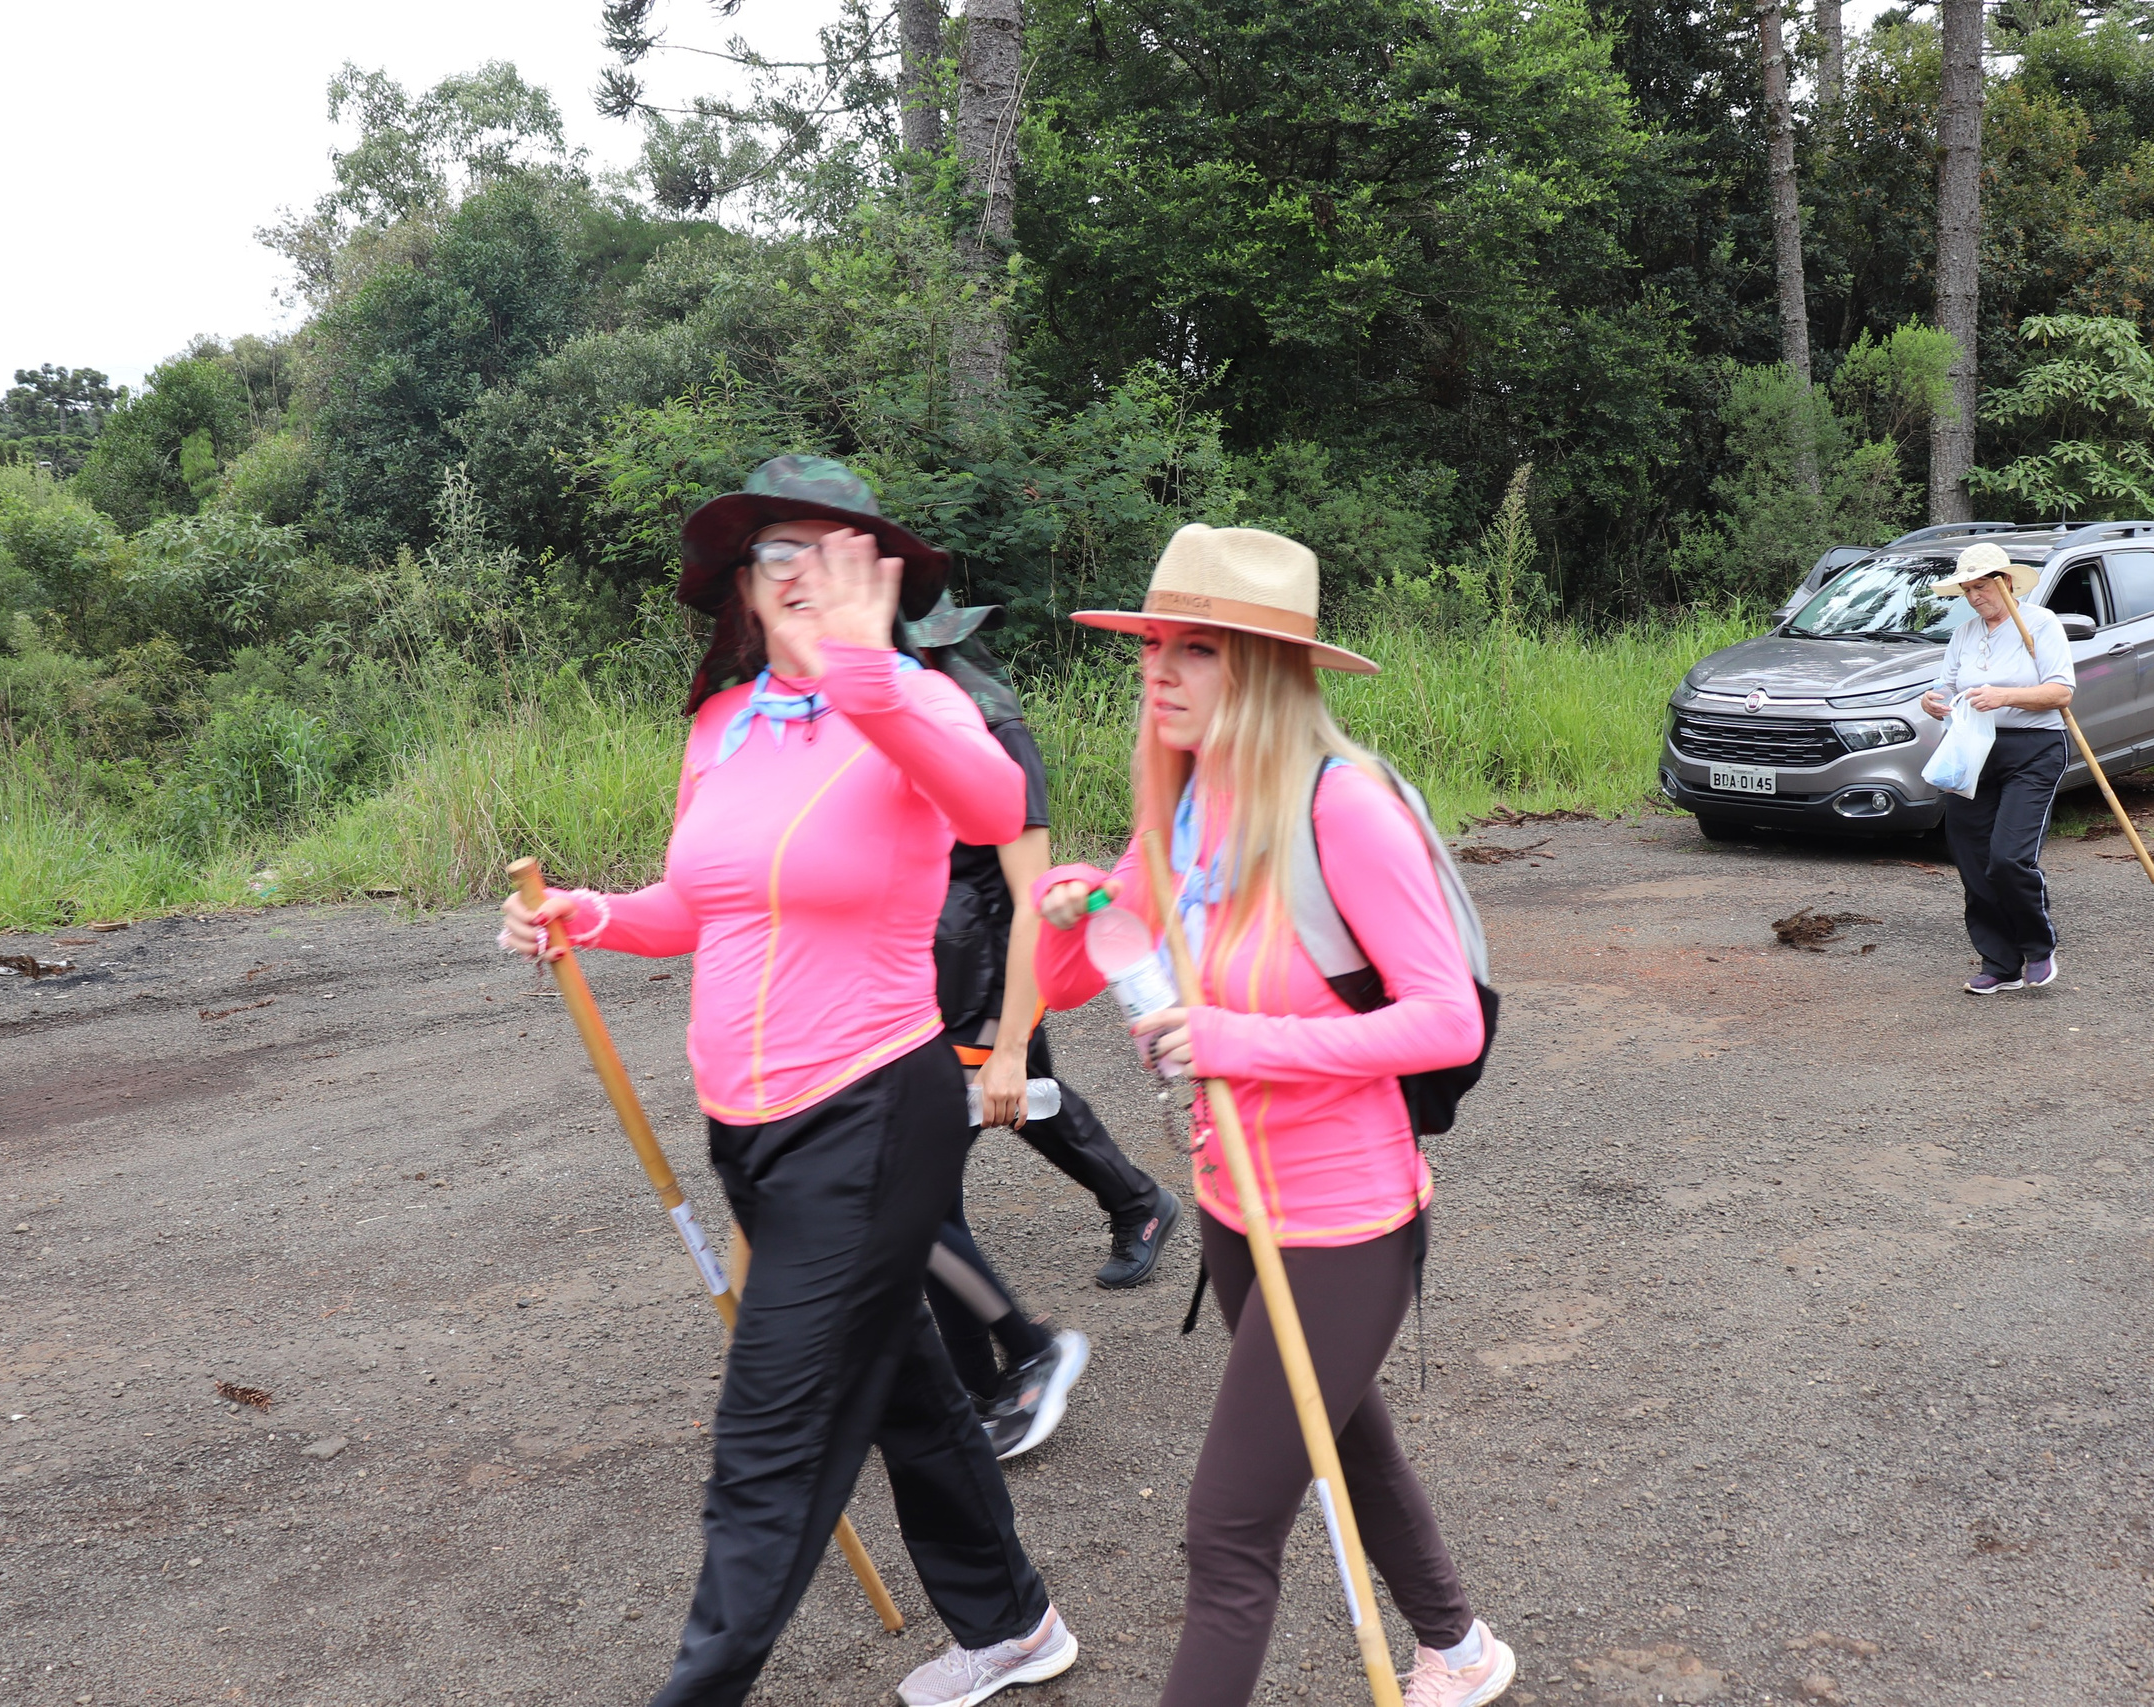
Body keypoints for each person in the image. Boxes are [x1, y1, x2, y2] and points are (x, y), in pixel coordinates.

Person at [500, 456, 1076, 1707]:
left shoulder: (914, 703)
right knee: (909, 1390)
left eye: (834, 555)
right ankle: (1014, 1625)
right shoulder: (724, 725)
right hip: (744, 1128)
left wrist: (868, 670)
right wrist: (588, 914)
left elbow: (990, 803)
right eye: (780, 558)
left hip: (871, 1109)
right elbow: (695, 908)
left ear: (877, 578)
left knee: (769, 1437)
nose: (806, 578)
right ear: (747, 593)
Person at [1033, 524, 1514, 1707]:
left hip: (1346, 1222)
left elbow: (1445, 1021)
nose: (1158, 670)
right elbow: (1066, 984)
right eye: (1151, 644)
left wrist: (1242, 1042)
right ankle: (1460, 1648)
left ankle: (1452, 1648)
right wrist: (1062, 916)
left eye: (1194, 649)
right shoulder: (1185, 809)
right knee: (1346, 1437)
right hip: (1230, 1200)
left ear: (1263, 671)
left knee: (1227, 1531)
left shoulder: (1343, 806)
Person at [904, 593, 1178, 1463]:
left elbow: (1030, 895)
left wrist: (1010, 1033)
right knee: (1007, 1120)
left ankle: (1006, 1368)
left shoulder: (990, 726)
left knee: (924, 1182)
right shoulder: (914, 715)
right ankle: (1136, 1203)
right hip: (935, 967)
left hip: (990, 969)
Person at [1918, 542, 2078, 993]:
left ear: (2007, 583)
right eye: (1967, 589)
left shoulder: (2040, 625)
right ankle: (1999, 962)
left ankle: (2038, 947)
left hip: (2034, 749)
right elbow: (1943, 688)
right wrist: (1931, 701)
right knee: (1972, 858)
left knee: (2008, 858)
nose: (1974, 597)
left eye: (1982, 587)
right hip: (1973, 750)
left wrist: (2004, 695)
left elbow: (2061, 693)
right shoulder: (1966, 633)